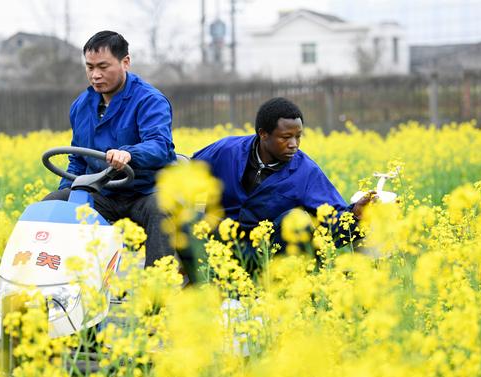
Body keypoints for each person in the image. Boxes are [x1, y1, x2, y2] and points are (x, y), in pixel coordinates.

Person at [43, 31, 176, 266]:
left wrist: (129, 153)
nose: (95, 75)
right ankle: (52, 284)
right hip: (104, 195)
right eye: (90, 67)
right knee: (53, 205)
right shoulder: (81, 106)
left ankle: (157, 293)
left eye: (103, 66)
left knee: (161, 209)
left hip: (145, 193)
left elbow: (159, 145)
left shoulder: (149, 100)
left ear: (125, 62)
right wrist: (70, 192)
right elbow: (77, 160)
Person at [192, 97, 375, 258]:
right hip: (218, 246)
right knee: (185, 220)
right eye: (286, 137)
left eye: (298, 137)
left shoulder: (306, 172)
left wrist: (356, 215)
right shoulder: (227, 150)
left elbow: (332, 216)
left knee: (298, 221)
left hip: (267, 254)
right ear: (263, 134)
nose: (293, 145)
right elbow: (187, 170)